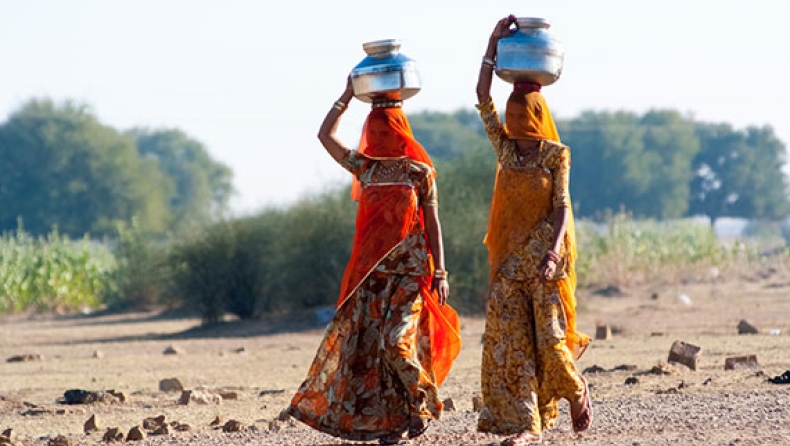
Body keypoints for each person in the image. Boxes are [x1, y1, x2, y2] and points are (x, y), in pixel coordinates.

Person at [287, 77, 462, 446]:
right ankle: (389, 425)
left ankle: (422, 403)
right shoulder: (366, 168)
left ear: (399, 131)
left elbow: (433, 223)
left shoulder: (420, 173)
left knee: (395, 342)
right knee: (369, 352)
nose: (378, 135)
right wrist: (347, 96)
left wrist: (441, 272)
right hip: (372, 275)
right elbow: (325, 137)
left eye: (385, 129)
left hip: (411, 272)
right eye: (373, 129)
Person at [474, 15, 593, 446]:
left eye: (525, 125)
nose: (519, 133)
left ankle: (577, 392)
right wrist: (491, 45)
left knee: (550, 343)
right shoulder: (505, 150)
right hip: (508, 266)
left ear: (538, 120)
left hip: (545, 263)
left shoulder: (555, 155)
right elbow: (482, 96)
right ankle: (527, 426)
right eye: (513, 123)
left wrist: (551, 251)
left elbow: (562, 207)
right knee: (511, 347)